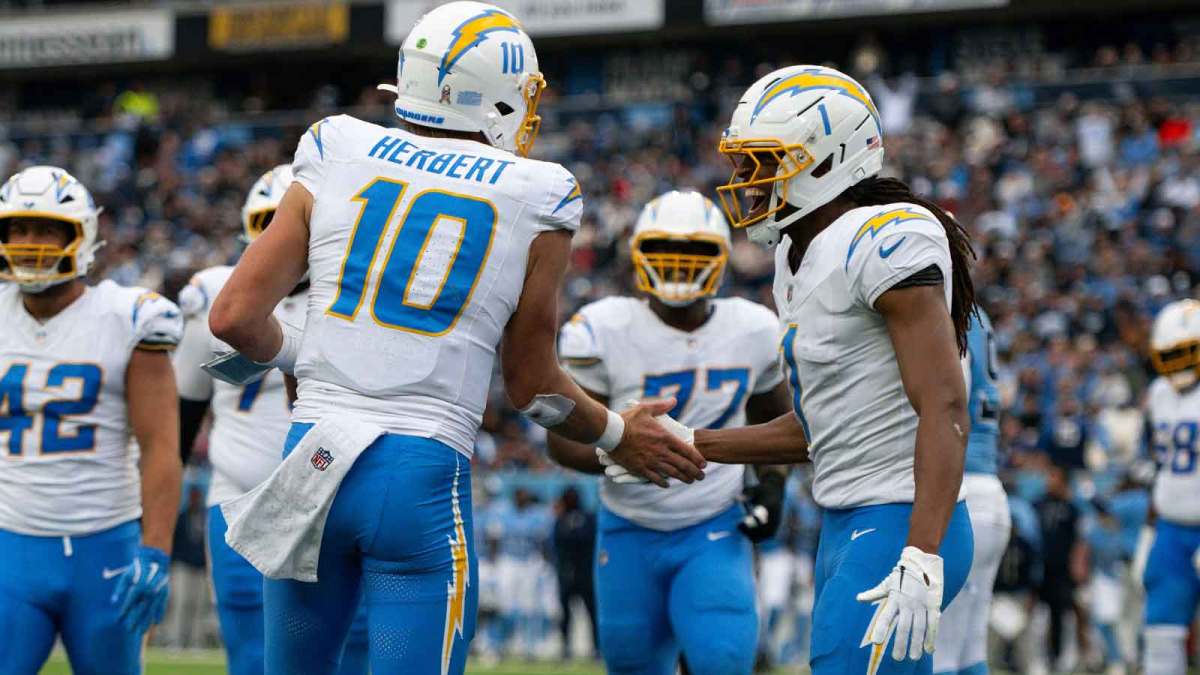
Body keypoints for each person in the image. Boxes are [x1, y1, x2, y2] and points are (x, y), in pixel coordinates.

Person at [205, 3, 704, 673]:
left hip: (311, 461)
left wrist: (313, 352)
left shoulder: (336, 146)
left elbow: (233, 317)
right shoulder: (539, 192)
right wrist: (617, 431)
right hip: (417, 478)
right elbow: (531, 385)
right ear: (491, 95)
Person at [675, 64, 978, 674]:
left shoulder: (885, 236)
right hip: (845, 518)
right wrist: (691, 442)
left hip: (899, 515)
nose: (743, 181)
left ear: (825, 159)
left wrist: (920, 550)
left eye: (760, 161)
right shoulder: (796, 253)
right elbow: (821, 428)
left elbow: (944, 403)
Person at [547, 189, 791, 675]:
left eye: (696, 251)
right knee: (632, 664)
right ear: (638, 254)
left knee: (722, 660)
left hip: (714, 524)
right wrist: (623, 447)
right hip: (628, 528)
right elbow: (562, 439)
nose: (679, 263)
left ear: (721, 258)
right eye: (663, 250)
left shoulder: (756, 329)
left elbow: (778, 427)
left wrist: (773, 484)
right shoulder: (602, 327)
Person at [173, 165, 368, 675]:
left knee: (348, 654)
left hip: (332, 505)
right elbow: (184, 417)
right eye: (271, 221)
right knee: (251, 657)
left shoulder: (359, 297)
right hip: (237, 499)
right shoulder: (214, 297)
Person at [0, 165, 183, 674]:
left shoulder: (126, 318)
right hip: (10, 545)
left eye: (44, 230)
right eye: (18, 229)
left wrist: (156, 550)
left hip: (105, 547)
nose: (28, 243)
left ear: (80, 236)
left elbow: (160, 447)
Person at [934, 309, 1012, 675]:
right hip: (990, 490)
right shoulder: (977, 315)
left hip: (960, 491)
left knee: (939, 650)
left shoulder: (947, 307)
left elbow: (949, 400)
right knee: (969, 648)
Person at [1138, 299, 1200, 675]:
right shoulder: (1159, 395)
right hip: (1170, 530)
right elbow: (1161, 465)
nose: (1178, 363)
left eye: (1187, 352)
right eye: (1170, 355)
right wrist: (1150, 528)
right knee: (1160, 637)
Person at [1034, 461, 1088, 671]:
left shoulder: (1072, 509)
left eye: (1054, 477)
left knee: (1062, 615)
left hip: (1063, 571)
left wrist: (1079, 564)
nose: (1049, 481)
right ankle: (1038, 659)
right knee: (1038, 615)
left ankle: (1061, 658)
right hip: (1041, 569)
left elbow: (1080, 540)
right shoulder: (1038, 504)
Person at [552, 486, 597, 661]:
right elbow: (557, 544)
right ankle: (565, 647)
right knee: (565, 614)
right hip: (567, 573)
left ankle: (596, 648)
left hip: (584, 573)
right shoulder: (561, 519)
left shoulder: (587, 518)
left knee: (591, 612)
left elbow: (589, 541)